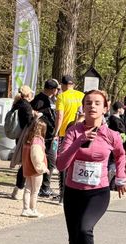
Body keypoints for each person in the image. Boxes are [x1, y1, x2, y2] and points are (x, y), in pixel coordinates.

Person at [56, 90, 126, 244]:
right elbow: (60, 164)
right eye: (88, 103)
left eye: (97, 103)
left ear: (105, 108)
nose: (92, 106)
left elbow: (121, 155)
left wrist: (121, 176)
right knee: (74, 237)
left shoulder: (111, 134)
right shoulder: (73, 132)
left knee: (84, 229)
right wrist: (79, 141)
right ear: (83, 107)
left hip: (98, 193)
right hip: (73, 192)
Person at [54, 75, 85, 203]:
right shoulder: (81, 95)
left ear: (62, 85)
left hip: (64, 133)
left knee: (63, 162)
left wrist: (56, 131)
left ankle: (63, 194)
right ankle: (76, 191)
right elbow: (83, 113)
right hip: (79, 132)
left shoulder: (61, 97)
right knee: (77, 161)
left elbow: (60, 116)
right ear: (73, 84)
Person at [31, 79, 59, 197]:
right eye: (56, 89)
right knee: (49, 161)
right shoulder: (39, 100)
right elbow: (35, 117)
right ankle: (43, 187)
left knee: (50, 161)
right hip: (43, 136)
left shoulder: (50, 99)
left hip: (49, 135)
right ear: (52, 89)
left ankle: (44, 186)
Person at [10, 85, 35, 200]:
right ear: (28, 94)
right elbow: (29, 122)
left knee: (23, 162)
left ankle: (18, 189)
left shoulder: (16, 104)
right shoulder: (26, 106)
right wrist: (35, 116)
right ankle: (19, 188)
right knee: (25, 163)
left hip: (18, 136)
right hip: (25, 136)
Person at [21, 119, 49, 217]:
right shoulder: (37, 141)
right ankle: (33, 209)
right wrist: (43, 168)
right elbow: (36, 157)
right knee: (35, 191)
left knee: (28, 189)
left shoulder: (28, 139)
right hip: (35, 170)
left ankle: (25, 209)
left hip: (27, 167)